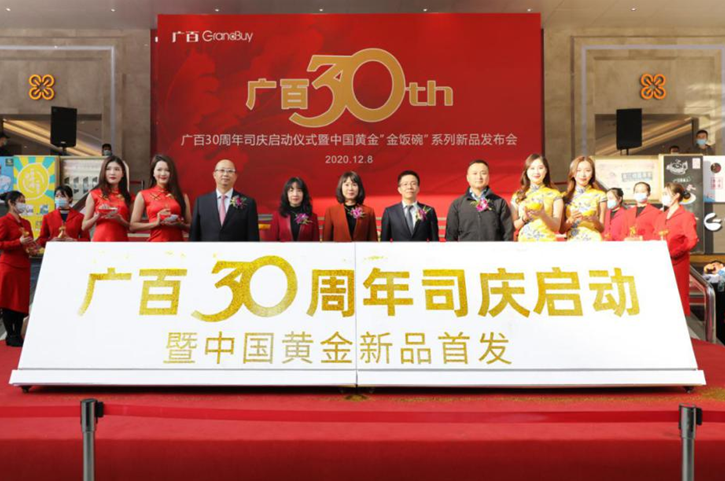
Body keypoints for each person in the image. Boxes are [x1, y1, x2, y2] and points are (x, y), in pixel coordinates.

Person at [653, 183, 698, 316]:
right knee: (661, 295)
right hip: (660, 261)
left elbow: (692, 239)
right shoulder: (661, 216)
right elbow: (655, 236)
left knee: (679, 294)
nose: (663, 197)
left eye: (666, 194)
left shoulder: (686, 216)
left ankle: (682, 323)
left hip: (677, 262)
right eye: (663, 194)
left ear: (676, 195)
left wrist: (675, 253)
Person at [0, 191, 38, 347]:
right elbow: (1, 244)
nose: (23, 204)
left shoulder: (26, 223)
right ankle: (11, 334)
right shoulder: (4, 221)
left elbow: (30, 242)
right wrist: (18, 242)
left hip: (23, 265)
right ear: (11, 203)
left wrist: (33, 249)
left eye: (24, 201)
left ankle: (17, 333)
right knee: (9, 301)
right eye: (20, 201)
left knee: (20, 302)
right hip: (9, 266)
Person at [189, 159, 259, 242]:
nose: (225, 174)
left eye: (230, 171)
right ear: (214, 175)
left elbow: (253, 237)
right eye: (222, 170)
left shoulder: (248, 203)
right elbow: (194, 235)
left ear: (235, 176)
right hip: (208, 250)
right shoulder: (201, 202)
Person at [446, 160, 513, 242]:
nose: (479, 177)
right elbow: (450, 236)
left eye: (483, 173)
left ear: (488, 177)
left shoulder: (499, 203)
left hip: (493, 250)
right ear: (467, 177)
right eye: (475, 173)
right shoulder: (457, 204)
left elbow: (507, 234)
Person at [130, 155, 191, 242]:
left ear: (171, 173)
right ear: (153, 173)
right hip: (155, 245)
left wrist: (180, 225)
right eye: (159, 170)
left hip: (177, 246)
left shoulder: (182, 196)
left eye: (167, 170)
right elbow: (132, 227)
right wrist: (155, 223)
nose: (163, 173)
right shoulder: (143, 194)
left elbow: (192, 228)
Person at [510, 154, 563, 242]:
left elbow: (556, 227)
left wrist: (543, 215)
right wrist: (524, 218)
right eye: (532, 168)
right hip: (524, 244)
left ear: (546, 170)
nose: (536, 172)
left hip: (547, 243)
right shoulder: (518, 195)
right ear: (526, 171)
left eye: (540, 168)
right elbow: (512, 226)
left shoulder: (555, 194)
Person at [82, 155, 132, 242]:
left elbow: (133, 228)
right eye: (108, 169)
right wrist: (98, 216)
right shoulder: (94, 194)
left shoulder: (129, 197)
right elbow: (84, 227)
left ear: (123, 173)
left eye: (117, 169)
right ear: (103, 172)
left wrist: (120, 220)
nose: (112, 172)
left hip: (121, 243)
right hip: (99, 243)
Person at [381, 170, 439, 242]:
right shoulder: (390, 212)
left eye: (413, 183)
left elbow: (434, 240)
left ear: (418, 188)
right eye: (405, 184)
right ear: (399, 189)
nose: (409, 187)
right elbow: (384, 241)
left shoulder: (429, 211)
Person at [323, 171, 378, 242]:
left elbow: (373, 240)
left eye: (354, 185)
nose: (350, 188)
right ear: (341, 187)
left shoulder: (369, 212)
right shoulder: (331, 211)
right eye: (346, 185)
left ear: (359, 188)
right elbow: (326, 241)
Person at [562, 156, 607, 241]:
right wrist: (571, 219)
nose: (583, 174)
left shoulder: (600, 195)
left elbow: (601, 229)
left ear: (592, 174)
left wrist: (595, 221)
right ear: (572, 173)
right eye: (578, 170)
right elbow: (561, 230)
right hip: (573, 242)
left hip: (594, 242)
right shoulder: (565, 197)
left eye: (588, 170)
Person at [268, 177, 320, 242]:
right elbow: (272, 242)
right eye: (291, 190)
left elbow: (315, 243)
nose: (295, 194)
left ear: (304, 194)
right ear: (286, 194)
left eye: (299, 190)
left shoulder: (312, 217)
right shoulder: (277, 215)